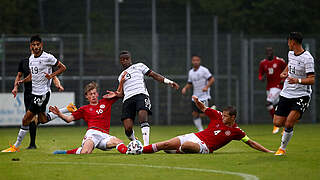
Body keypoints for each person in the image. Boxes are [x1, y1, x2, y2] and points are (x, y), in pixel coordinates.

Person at [1, 35, 68, 152]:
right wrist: (23, 81)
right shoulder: (31, 58)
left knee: (25, 119)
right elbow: (33, 76)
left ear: (41, 45)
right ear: (30, 46)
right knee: (42, 120)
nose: (36, 47)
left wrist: (51, 76)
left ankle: (15, 146)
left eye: (38, 45)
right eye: (34, 45)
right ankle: (67, 109)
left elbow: (63, 67)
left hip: (42, 94)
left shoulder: (48, 57)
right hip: (35, 93)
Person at [143, 95, 274, 154]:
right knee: (164, 144)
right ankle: (140, 150)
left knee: (186, 145)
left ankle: (176, 151)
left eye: (225, 116)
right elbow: (204, 108)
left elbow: (250, 142)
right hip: (195, 135)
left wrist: (267, 151)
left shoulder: (236, 131)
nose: (222, 117)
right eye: (222, 114)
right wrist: (197, 101)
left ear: (233, 117)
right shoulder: (217, 115)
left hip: (204, 147)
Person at [106, 50, 179, 146]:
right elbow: (121, 93)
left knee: (142, 117)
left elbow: (154, 75)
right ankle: (134, 143)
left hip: (141, 95)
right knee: (128, 129)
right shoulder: (121, 76)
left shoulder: (139, 66)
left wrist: (168, 82)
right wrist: (115, 94)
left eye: (127, 59)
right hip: (128, 100)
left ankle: (146, 146)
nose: (125, 61)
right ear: (120, 61)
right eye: (123, 60)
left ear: (130, 59)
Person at [51, 80, 129, 154]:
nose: (93, 95)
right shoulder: (84, 109)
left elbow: (120, 94)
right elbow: (69, 119)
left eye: (94, 93)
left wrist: (121, 83)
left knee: (119, 142)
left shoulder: (106, 101)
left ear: (97, 94)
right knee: (85, 152)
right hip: (92, 134)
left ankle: (132, 151)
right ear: (87, 96)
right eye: (90, 94)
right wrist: (59, 114)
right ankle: (65, 152)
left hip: (104, 136)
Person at [273, 32, 315, 155]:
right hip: (287, 93)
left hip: (302, 95)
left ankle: (282, 149)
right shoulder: (290, 53)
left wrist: (297, 80)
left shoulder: (307, 58)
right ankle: (291, 121)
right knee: (277, 122)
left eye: (288, 41)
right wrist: (284, 73)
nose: (288, 44)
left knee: (289, 122)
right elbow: (290, 64)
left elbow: (312, 79)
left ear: (293, 42)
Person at [181, 55, 215, 131]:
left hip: (204, 96)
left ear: (200, 61)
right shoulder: (191, 72)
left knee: (206, 113)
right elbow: (190, 83)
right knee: (195, 114)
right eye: (194, 60)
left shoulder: (204, 70)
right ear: (192, 61)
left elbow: (212, 79)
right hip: (195, 96)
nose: (195, 62)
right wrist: (185, 88)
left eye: (197, 60)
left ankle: (214, 115)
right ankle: (201, 130)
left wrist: (207, 87)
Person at [258, 47, 287, 134]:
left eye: (271, 51)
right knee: (278, 106)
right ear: (266, 53)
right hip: (269, 88)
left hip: (278, 86)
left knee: (268, 103)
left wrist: (283, 79)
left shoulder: (279, 61)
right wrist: (261, 78)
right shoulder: (263, 63)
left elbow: (287, 69)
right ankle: (284, 126)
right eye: (268, 52)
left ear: (273, 52)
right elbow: (260, 74)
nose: (269, 53)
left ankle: (276, 124)